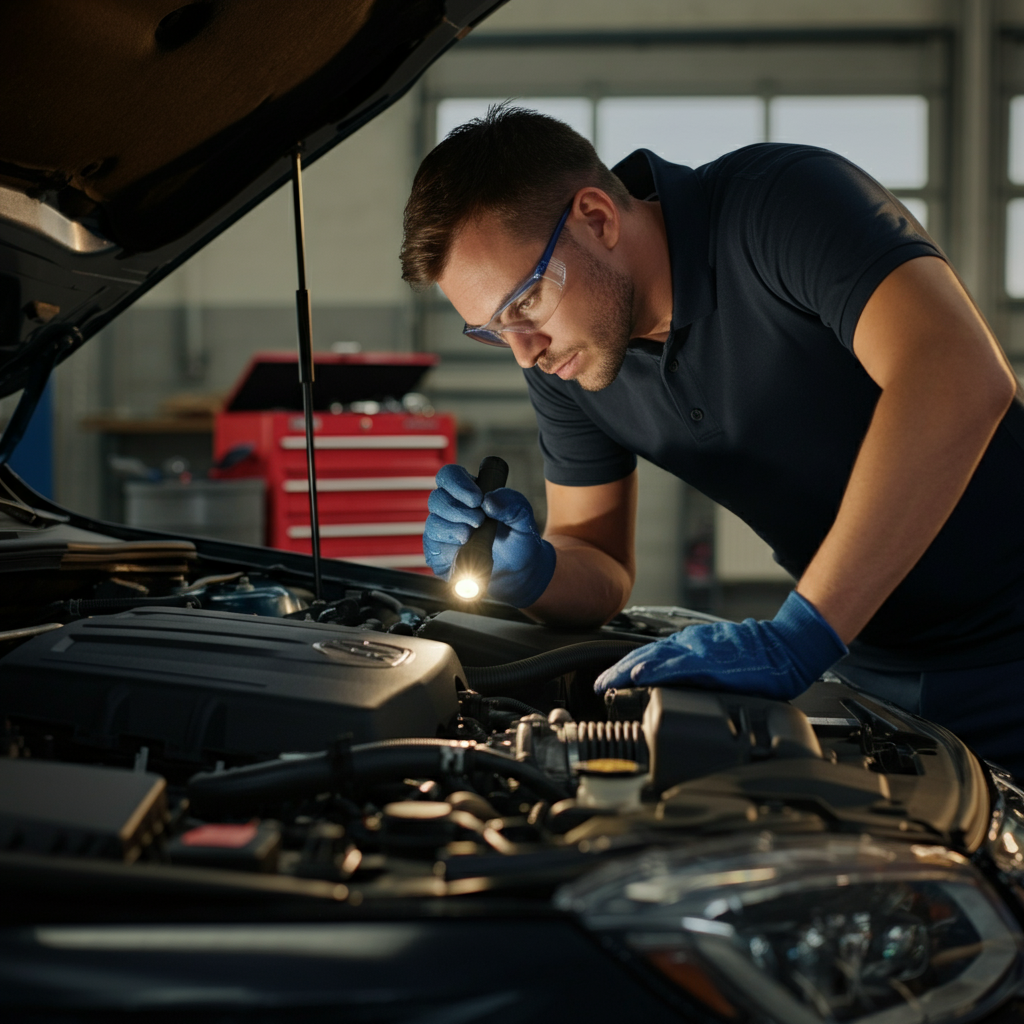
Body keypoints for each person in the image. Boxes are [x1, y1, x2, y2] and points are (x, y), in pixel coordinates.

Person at [400, 104, 1024, 774]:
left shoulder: (780, 205)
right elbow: (597, 555)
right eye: (493, 331)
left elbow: (958, 375)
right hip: (873, 674)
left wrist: (800, 636)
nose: (524, 353)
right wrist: (533, 573)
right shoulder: (571, 362)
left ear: (599, 218)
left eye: (524, 305)